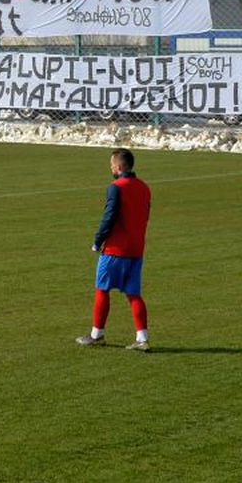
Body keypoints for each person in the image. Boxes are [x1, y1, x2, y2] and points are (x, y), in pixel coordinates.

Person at [77, 148, 152, 352]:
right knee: (134, 294)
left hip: (115, 249)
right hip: (136, 248)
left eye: (111, 165)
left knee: (102, 289)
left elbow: (109, 216)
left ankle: (97, 334)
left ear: (118, 167)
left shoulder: (116, 187)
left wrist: (98, 240)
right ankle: (142, 338)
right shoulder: (144, 187)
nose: (110, 168)